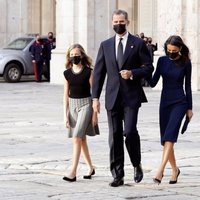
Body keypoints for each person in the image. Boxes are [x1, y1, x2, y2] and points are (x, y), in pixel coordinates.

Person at [92, 9, 153, 187]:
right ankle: (117, 174)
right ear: (112, 23)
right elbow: (98, 73)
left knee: (130, 132)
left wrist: (133, 73)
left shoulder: (139, 43)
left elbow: (149, 68)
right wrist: (95, 98)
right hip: (112, 97)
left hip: (132, 97)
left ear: (127, 22)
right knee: (115, 135)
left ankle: (136, 163)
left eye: (121, 22)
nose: (118, 24)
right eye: (115, 22)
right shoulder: (105, 45)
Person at [148, 35, 193, 184]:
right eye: (168, 50)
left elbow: (188, 86)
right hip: (165, 102)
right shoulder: (162, 61)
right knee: (166, 139)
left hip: (180, 102)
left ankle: (160, 170)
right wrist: (144, 70)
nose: (171, 53)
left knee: (170, 136)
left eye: (174, 50)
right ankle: (175, 170)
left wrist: (190, 107)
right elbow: (153, 82)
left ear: (180, 49)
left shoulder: (186, 62)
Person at [63, 44, 99, 182]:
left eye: (76, 54)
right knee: (82, 139)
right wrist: (65, 114)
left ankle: (73, 171)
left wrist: (95, 113)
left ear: (82, 55)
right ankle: (91, 167)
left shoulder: (89, 71)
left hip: (86, 105)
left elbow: (94, 92)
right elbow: (65, 95)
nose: (74, 57)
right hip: (72, 107)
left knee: (76, 137)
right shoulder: (66, 73)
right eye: (71, 55)